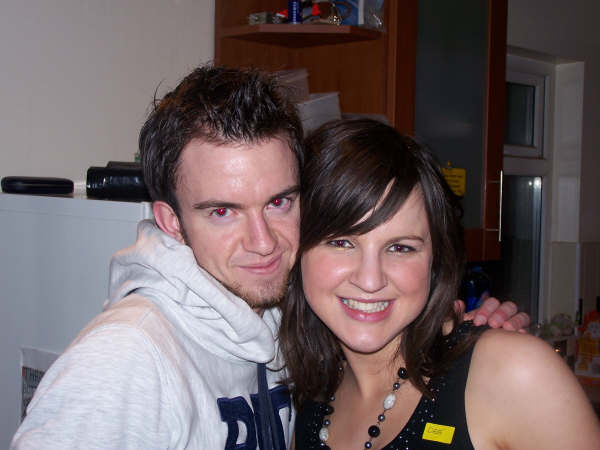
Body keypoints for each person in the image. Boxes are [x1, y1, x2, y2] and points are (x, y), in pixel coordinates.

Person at [11, 67, 528, 450]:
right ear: (171, 222)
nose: (263, 242)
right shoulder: (124, 359)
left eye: (279, 202)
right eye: (222, 212)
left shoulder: (294, 323)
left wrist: (452, 326)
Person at [282, 118, 600, 450]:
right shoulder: (306, 401)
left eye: (400, 248)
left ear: (435, 261)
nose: (370, 280)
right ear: (296, 251)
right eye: (341, 243)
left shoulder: (512, 372)